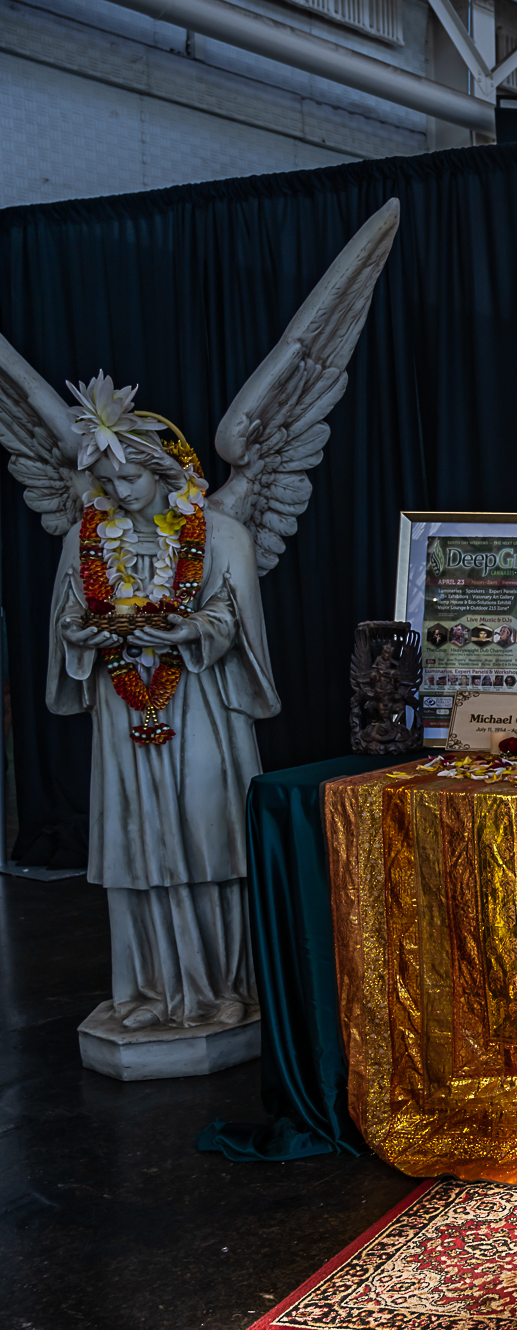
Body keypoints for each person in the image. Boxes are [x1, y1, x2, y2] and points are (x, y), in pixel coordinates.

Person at [51, 435, 273, 1031]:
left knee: (208, 836)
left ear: (162, 470)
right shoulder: (85, 538)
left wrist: (192, 629)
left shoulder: (220, 533)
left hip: (200, 700)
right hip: (122, 707)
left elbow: (236, 615)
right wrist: (79, 634)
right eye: (106, 481)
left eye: (130, 478)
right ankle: (148, 991)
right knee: (137, 842)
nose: (119, 492)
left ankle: (224, 988)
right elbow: (69, 610)